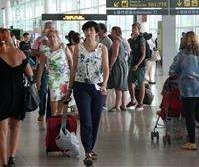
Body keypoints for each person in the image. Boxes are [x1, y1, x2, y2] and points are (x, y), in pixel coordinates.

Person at [65, 21, 109, 166]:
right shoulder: (78, 48)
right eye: (86, 30)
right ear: (84, 33)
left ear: (96, 32)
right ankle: (88, 152)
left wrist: (104, 85)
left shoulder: (102, 48)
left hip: (97, 88)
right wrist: (69, 88)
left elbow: (106, 68)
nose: (88, 32)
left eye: (91, 30)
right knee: (86, 119)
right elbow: (73, 69)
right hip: (81, 87)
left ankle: (90, 147)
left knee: (95, 120)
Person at [169, 31, 199, 150]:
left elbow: (172, 71)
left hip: (189, 88)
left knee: (189, 114)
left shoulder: (182, 55)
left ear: (184, 41)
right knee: (198, 112)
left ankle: (192, 142)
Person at [0, 28, 33, 167]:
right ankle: (12, 157)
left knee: (2, 132)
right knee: (15, 128)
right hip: (18, 94)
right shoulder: (20, 54)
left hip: (1, 95)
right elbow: (30, 74)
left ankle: (4, 163)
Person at [36, 29, 73, 116]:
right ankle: (53, 115)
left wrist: (73, 75)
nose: (52, 38)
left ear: (57, 37)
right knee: (54, 96)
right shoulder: (45, 51)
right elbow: (41, 66)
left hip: (64, 77)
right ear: (47, 38)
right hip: (52, 77)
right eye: (50, 37)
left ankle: (59, 116)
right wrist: (38, 80)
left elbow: (71, 61)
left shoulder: (63, 47)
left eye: (54, 36)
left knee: (62, 97)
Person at [32, 21, 54, 121]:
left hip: (54, 69)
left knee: (52, 93)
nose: (49, 30)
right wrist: (41, 54)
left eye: (51, 28)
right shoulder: (39, 39)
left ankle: (49, 115)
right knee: (42, 90)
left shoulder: (56, 40)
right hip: (42, 67)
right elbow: (32, 51)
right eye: (47, 28)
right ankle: (41, 112)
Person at [107, 26, 129, 112]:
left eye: (112, 32)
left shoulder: (116, 41)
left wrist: (110, 66)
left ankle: (117, 106)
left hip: (117, 65)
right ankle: (123, 105)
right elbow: (128, 52)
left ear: (115, 32)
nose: (111, 33)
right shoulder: (124, 40)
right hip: (124, 64)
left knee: (118, 86)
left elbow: (115, 55)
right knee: (122, 85)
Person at [126, 23, 146, 111]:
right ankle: (133, 100)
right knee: (130, 82)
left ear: (138, 29)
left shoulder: (141, 39)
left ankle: (140, 103)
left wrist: (137, 65)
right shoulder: (132, 40)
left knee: (141, 84)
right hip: (132, 64)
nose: (133, 30)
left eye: (134, 28)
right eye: (132, 28)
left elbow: (143, 54)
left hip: (140, 66)